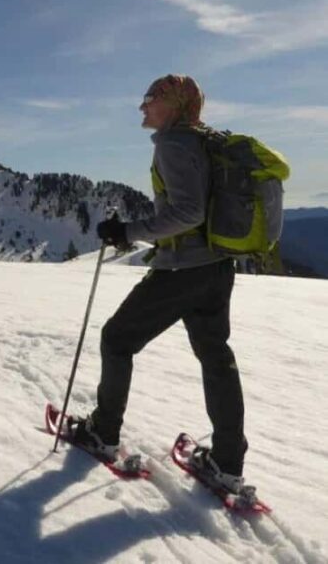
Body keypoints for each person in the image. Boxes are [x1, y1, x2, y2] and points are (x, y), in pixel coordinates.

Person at [72, 74, 248, 493]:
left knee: (117, 338)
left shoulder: (174, 143)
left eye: (150, 98)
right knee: (215, 355)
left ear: (173, 103)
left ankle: (104, 431)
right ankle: (227, 461)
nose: (143, 106)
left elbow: (188, 213)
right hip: (218, 266)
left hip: (184, 268)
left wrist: (129, 231)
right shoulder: (204, 139)